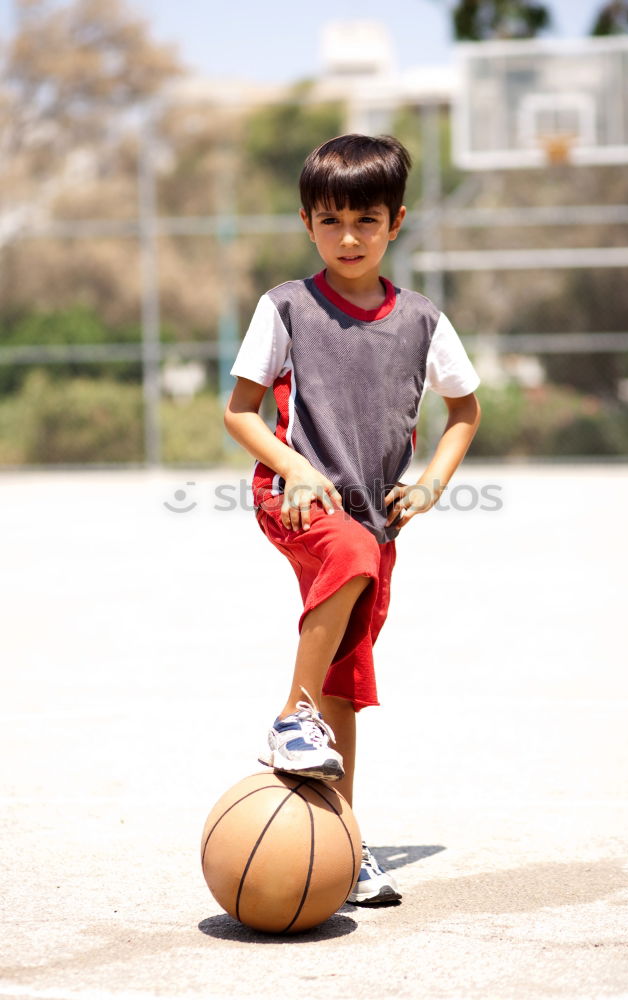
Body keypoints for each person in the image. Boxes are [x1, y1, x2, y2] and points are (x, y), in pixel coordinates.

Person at [224, 134, 481, 905]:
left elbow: (465, 410)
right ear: (309, 223)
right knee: (346, 554)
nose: (347, 237)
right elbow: (239, 412)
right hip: (296, 495)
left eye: (365, 221)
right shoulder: (286, 307)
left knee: (348, 679)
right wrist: (296, 466)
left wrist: (433, 482)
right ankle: (288, 717)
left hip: (376, 521)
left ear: (395, 223)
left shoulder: (425, 321)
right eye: (330, 221)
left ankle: (342, 840)